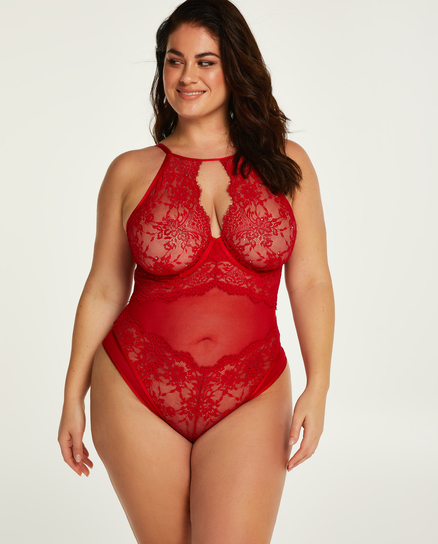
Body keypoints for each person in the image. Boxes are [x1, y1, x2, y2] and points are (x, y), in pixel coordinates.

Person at [57, 0, 334, 542]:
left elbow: (312, 281)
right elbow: (105, 288)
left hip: (252, 389)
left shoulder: (288, 164)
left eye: (206, 61)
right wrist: (72, 396)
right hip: (135, 388)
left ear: (236, 67)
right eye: (174, 60)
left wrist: (318, 384)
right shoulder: (128, 171)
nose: (187, 76)